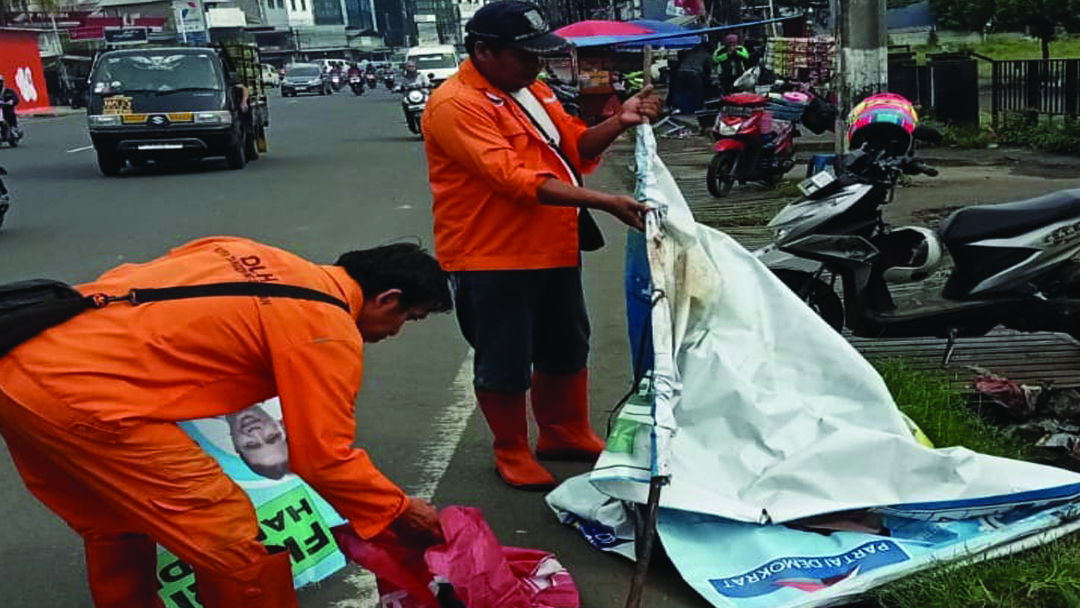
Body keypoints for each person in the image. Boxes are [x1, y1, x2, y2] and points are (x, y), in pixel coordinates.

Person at [0, 237, 453, 607]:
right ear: (387, 299)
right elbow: (323, 458)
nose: (395, 333)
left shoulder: (245, 249)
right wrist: (398, 509)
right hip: (87, 398)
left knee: (112, 518)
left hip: (19, 366)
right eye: (407, 319)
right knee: (229, 534)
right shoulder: (326, 329)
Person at [423, 0, 662, 491]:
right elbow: (513, 178)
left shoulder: (533, 91)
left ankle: (563, 430)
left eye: (540, 55)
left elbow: (574, 147)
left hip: (553, 243)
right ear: (483, 52)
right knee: (505, 357)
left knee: (566, 344)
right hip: (492, 254)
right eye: (524, 55)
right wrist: (602, 201)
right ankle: (510, 447)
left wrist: (622, 120)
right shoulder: (457, 104)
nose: (536, 65)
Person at [672, 40, 714, 114]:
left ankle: (677, 108)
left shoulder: (690, 52)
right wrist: (707, 78)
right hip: (694, 73)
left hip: (681, 72)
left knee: (680, 91)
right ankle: (698, 108)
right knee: (697, 91)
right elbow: (707, 69)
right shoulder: (706, 55)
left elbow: (680, 61)